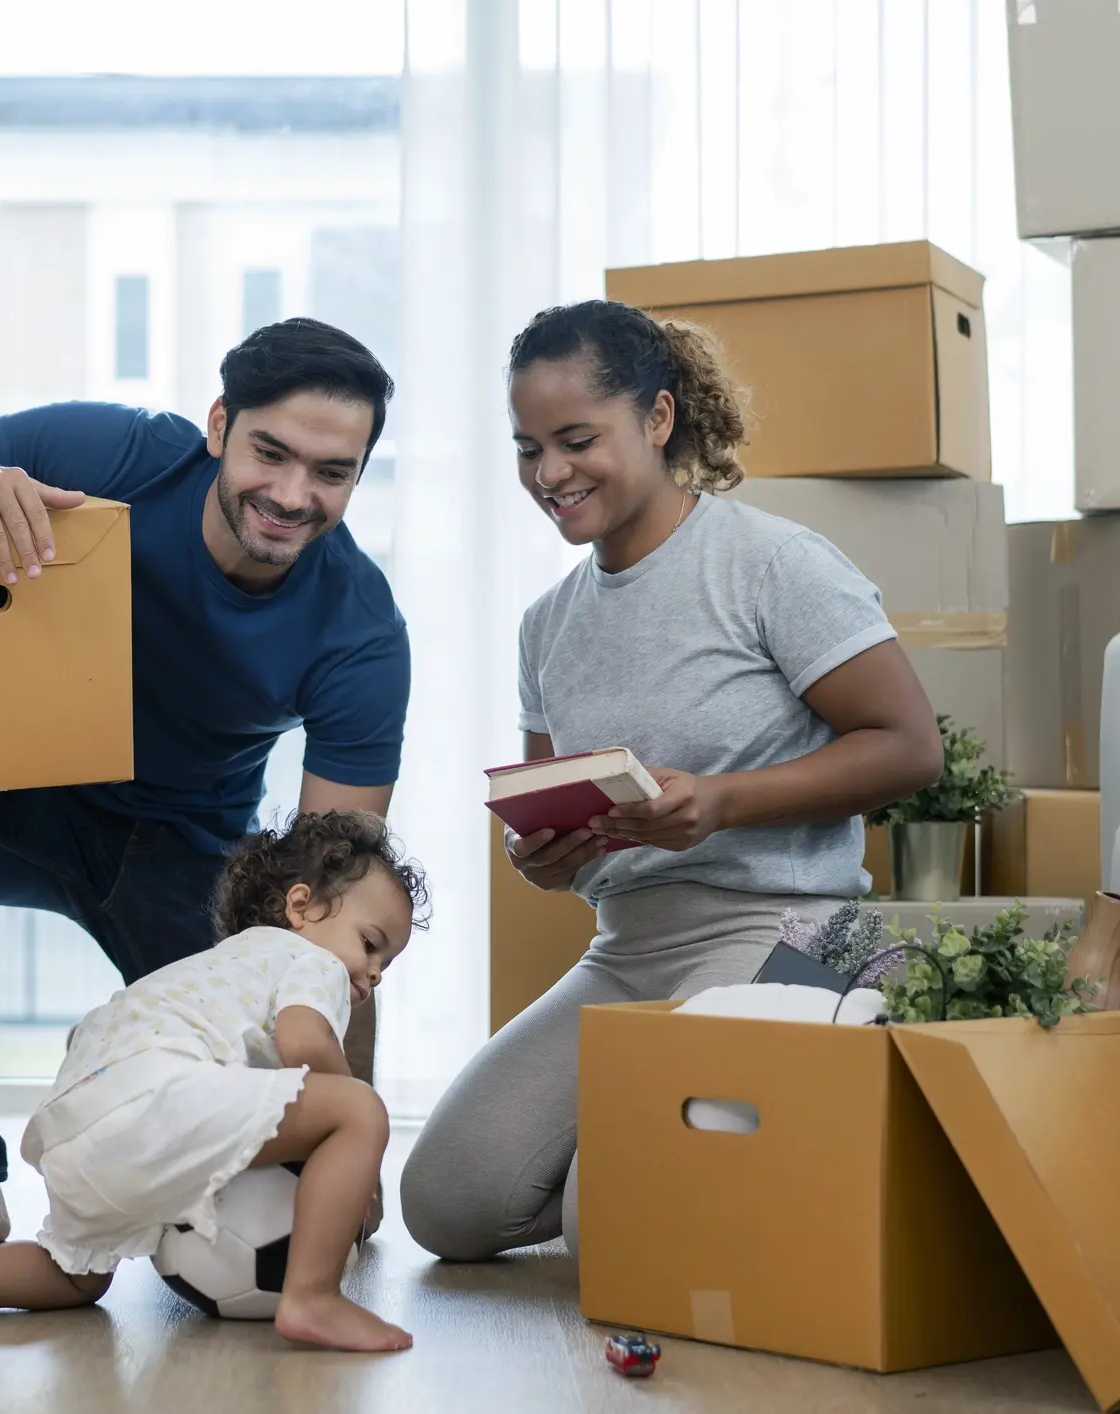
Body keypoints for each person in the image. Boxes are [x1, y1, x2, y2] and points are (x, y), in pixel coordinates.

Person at [0, 319, 411, 1271]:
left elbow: (338, 912)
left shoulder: (361, 634)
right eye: (270, 452)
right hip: (27, 800)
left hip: (188, 858)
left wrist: (354, 1148)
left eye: (331, 472)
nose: (292, 496)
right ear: (218, 425)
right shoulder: (118, 454)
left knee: (270, 1125)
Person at [399, 301, 943, 1262]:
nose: (549, 474)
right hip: (631, 949)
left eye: (576, 441)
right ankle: (714, 1172)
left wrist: (723, 802)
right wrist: (544, 857)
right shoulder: (546, 624)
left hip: (795, 931)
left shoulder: (768, 565)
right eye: (528, 448)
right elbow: (552, 811)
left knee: (613, 1220)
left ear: (656, 419)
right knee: (446, 1204)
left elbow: (907, 746)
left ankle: (786, 1109)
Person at [0, 811, 424, 1353]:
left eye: (386, 965)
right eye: (370, 944)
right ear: (301, 907)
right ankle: (314, 1298)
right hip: (156, 1097)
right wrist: (350, 1143)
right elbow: (304, 1042)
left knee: (76, 1273)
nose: (372, 973)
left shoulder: (219, 964)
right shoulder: (309, 960)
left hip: (75, 1121)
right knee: (360, 1110)